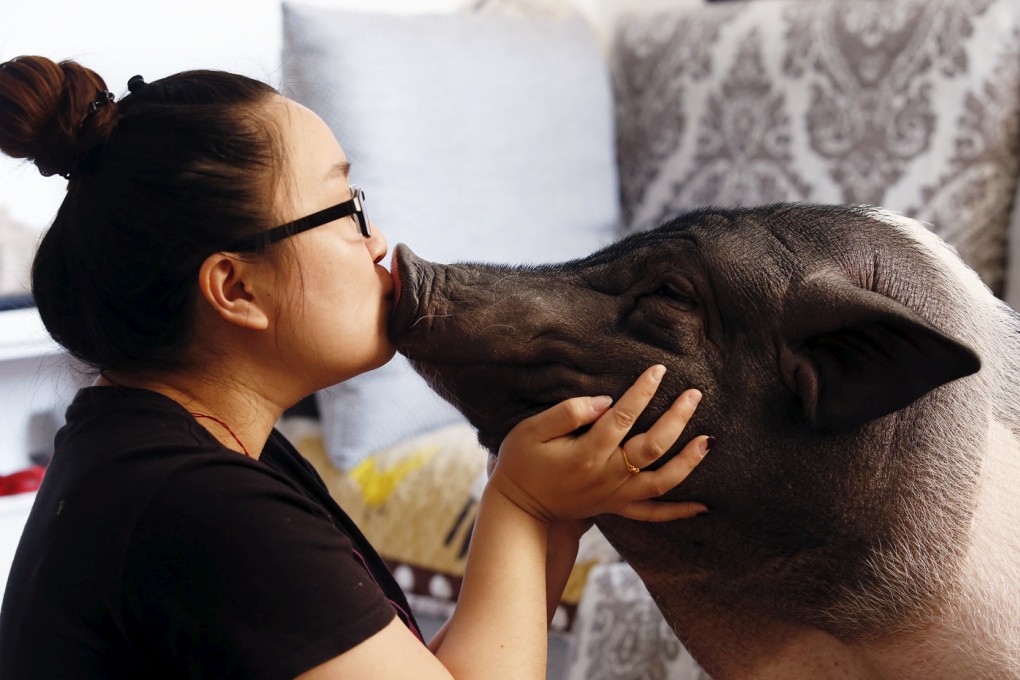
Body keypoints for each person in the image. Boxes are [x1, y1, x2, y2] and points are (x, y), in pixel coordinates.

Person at [0, 56, 713, 679]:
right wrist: (521, 505)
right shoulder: (200, 507)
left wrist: (554, 509)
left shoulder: (171, 451)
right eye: (345, 207)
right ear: (236, 289)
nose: (377, 243)